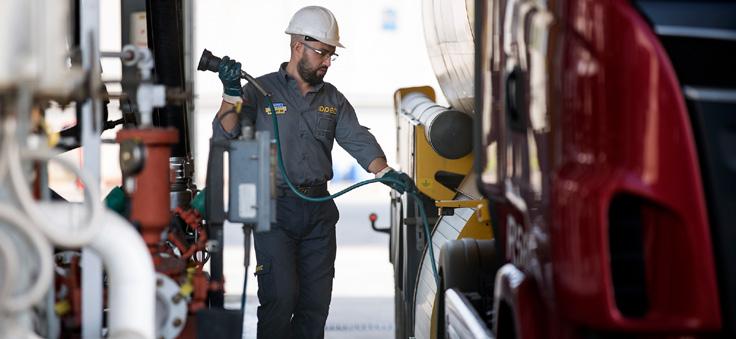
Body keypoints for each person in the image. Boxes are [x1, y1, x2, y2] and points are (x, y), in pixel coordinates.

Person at [210, 5, 414, 339]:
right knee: (279, 299)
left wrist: (384, 172)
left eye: (331, 56)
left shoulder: (332, 98)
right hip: (275, 210)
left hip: (319, 211)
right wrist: (231, 92)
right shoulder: (260, 92)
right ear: (297, 47)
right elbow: (226, 132)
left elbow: (356, 137)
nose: (326, 62)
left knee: (315, 305)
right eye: (321, 53)